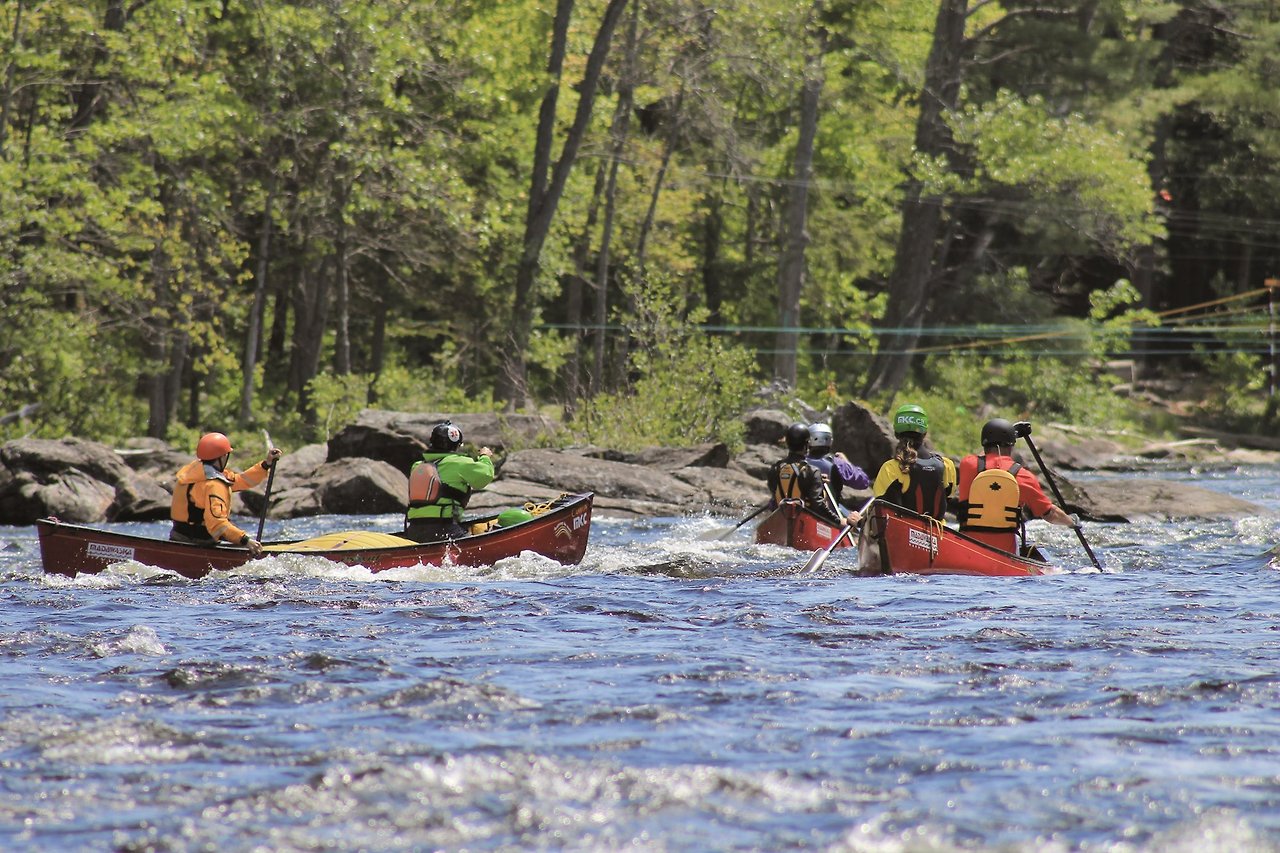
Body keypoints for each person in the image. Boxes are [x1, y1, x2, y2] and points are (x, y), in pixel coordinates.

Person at [956, 417, 1076, 553]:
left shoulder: (967, 464)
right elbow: (1049, 513)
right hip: (1005, 552)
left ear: (984, 443)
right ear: (1011, 445)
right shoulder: (1024, 476)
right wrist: (1071, 521)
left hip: (967, 547)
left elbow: (984, 457)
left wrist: (1007, 435)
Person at [169, 432, 282, 556]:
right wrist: (245, 540)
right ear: (222, 457)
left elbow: (241, 480)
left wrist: (266, 465)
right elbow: (217, 524)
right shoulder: (214, 484)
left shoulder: (196, 472)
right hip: (199, 541)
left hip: (178, 535)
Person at [404, 420, 496, 543]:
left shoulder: (417, 466)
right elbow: (484, 476)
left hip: (413, 531)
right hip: (443, 529)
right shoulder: (458, 462)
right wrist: (485, 457)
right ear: (456, 445)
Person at [872, 403, 955, 520]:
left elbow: (881, 511)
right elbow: (948, 497)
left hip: (902, 532)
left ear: (896, 434)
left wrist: (859, 521)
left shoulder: (891, 468)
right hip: (937, 534)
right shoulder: (947, 465)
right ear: (925, 433)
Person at [767, 423, 858, 526]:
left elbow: (776, 495)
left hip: (781, 520)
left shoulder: (775, 469)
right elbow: (818, 506)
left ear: (788, 444)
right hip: (805, 523)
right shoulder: (812, 471)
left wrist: (814, 481)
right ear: (807, 445)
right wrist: (838, 521)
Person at [806, 422, 871, 517]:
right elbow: (863, 482)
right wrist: (847, 463)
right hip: (830, 516)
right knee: (858, 526)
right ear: (830, 441)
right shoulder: (838, 463)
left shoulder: (800, 462)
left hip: (804, 512)